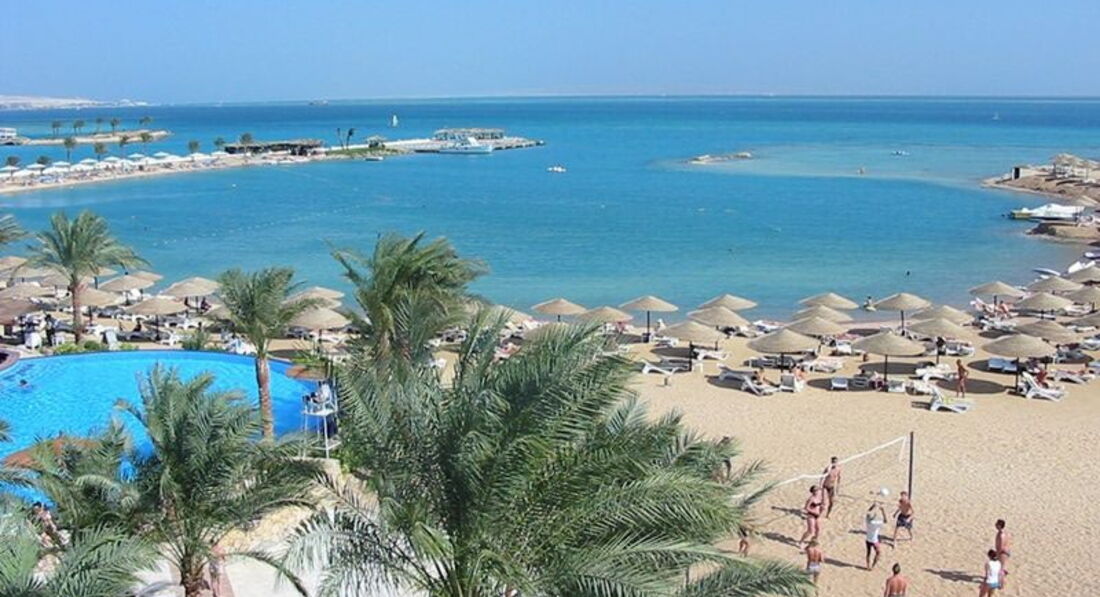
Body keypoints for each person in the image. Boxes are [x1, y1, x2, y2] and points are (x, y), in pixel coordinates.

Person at [798, 485, 824, 550]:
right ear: (813, 492)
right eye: (815, 490)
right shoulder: (811, 499)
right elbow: (806, 508)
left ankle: (815, 541)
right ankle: (801, 541)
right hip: (811, 515)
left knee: (818, 529)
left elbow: (820, 506)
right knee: (810, 530)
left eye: (818, 490)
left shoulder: (820, 497)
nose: (817, 491)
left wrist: (821, 510)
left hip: (818, 515)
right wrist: (814, 512)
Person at [865, 503, 887, 570]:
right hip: (874, 540)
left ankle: (868, 565)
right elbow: (885, 521)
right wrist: (883, 511)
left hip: (868, 539)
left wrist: (872, 506)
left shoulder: (867, 521)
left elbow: (868, 512)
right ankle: (872, 566)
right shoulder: (875, 523)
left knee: (868, 553)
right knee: (878, 553)